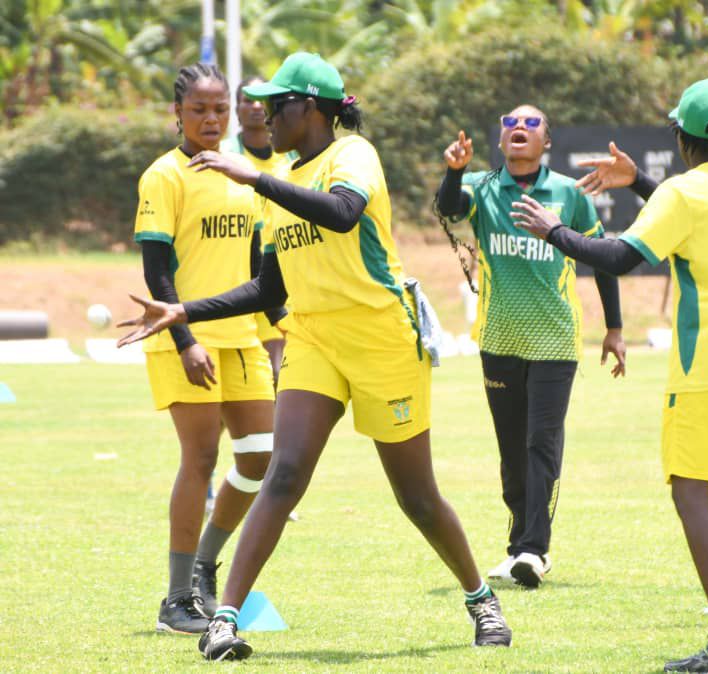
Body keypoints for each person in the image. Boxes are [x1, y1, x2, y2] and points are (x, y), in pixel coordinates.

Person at [118, 51, 512, 661]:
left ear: (312, 108)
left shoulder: (352, 155)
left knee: (417, 498)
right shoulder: (279, 179)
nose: (263, 115)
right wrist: (185, 311)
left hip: (382, 339)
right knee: (284, 472)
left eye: (277, 106)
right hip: (313, 339)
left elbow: (343, 213)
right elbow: (268, 289)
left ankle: (481, 598)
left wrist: (254, 179)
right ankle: (225, 620)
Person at [512, 77, 708, 672]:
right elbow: (703, 209)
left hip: (707, 364)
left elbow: (620, 256)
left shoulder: (682, 194)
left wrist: (555, 232)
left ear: (682, 138)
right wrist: (639, 181)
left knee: (692, 492)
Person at [434, 107, 625, 588]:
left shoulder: (568, 193)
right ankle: (519, 545)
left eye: (532, 123)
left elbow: (602, 259)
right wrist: (454, 171)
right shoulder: (480, 186)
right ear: (501, 138)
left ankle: (535, 551)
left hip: (555, 340)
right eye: (510, 121)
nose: (520, 127)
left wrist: (615, 328)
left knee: (541, 444)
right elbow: (449, 209)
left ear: (548, 141)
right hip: (498, 339)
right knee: (511, 450)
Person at [134, 62, 283, 634]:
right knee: (200, 459)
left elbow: (255, 267)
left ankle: (203, 567)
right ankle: (175, 601)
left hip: (243, 338)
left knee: (262, 457)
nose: (211, 118)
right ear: (177, 114)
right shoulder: (163, 177)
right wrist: (186, 340)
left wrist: (281, 320)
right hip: (185, 342)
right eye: (198, 109)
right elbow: (157, 274)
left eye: (219, 108)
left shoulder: (241, 174)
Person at [221, 76, 300, 384]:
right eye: (247, 100)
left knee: (277, 370)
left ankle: (276, 430)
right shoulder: (226, 156)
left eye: (261, 101)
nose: (255, 107)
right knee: (239, 378)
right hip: (238, 272)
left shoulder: (290, 154)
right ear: (236, 109)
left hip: (279, 269)